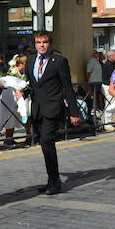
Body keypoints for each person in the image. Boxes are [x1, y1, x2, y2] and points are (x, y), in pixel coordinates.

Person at [24, 31, 81, 195]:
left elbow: (68, 87)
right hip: (37, 109)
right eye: (38, 42)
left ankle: (55, 181)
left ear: (50, 43)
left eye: (45, 42)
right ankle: (51, 179)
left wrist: (74, 112)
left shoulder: (59, 61)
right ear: (34, 44)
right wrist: (23, 92)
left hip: (53, 108)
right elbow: (32, 84)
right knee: (44, 144)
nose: (41, 45)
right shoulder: (30, 60)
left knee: (47, 141)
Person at [0, 55, 26, 149]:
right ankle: (8, 139)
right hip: (9, 95)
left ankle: (10, 138)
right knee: (9, 116)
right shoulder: (13, 71)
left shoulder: (22, 72)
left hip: (16, 95)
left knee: (14, 116)